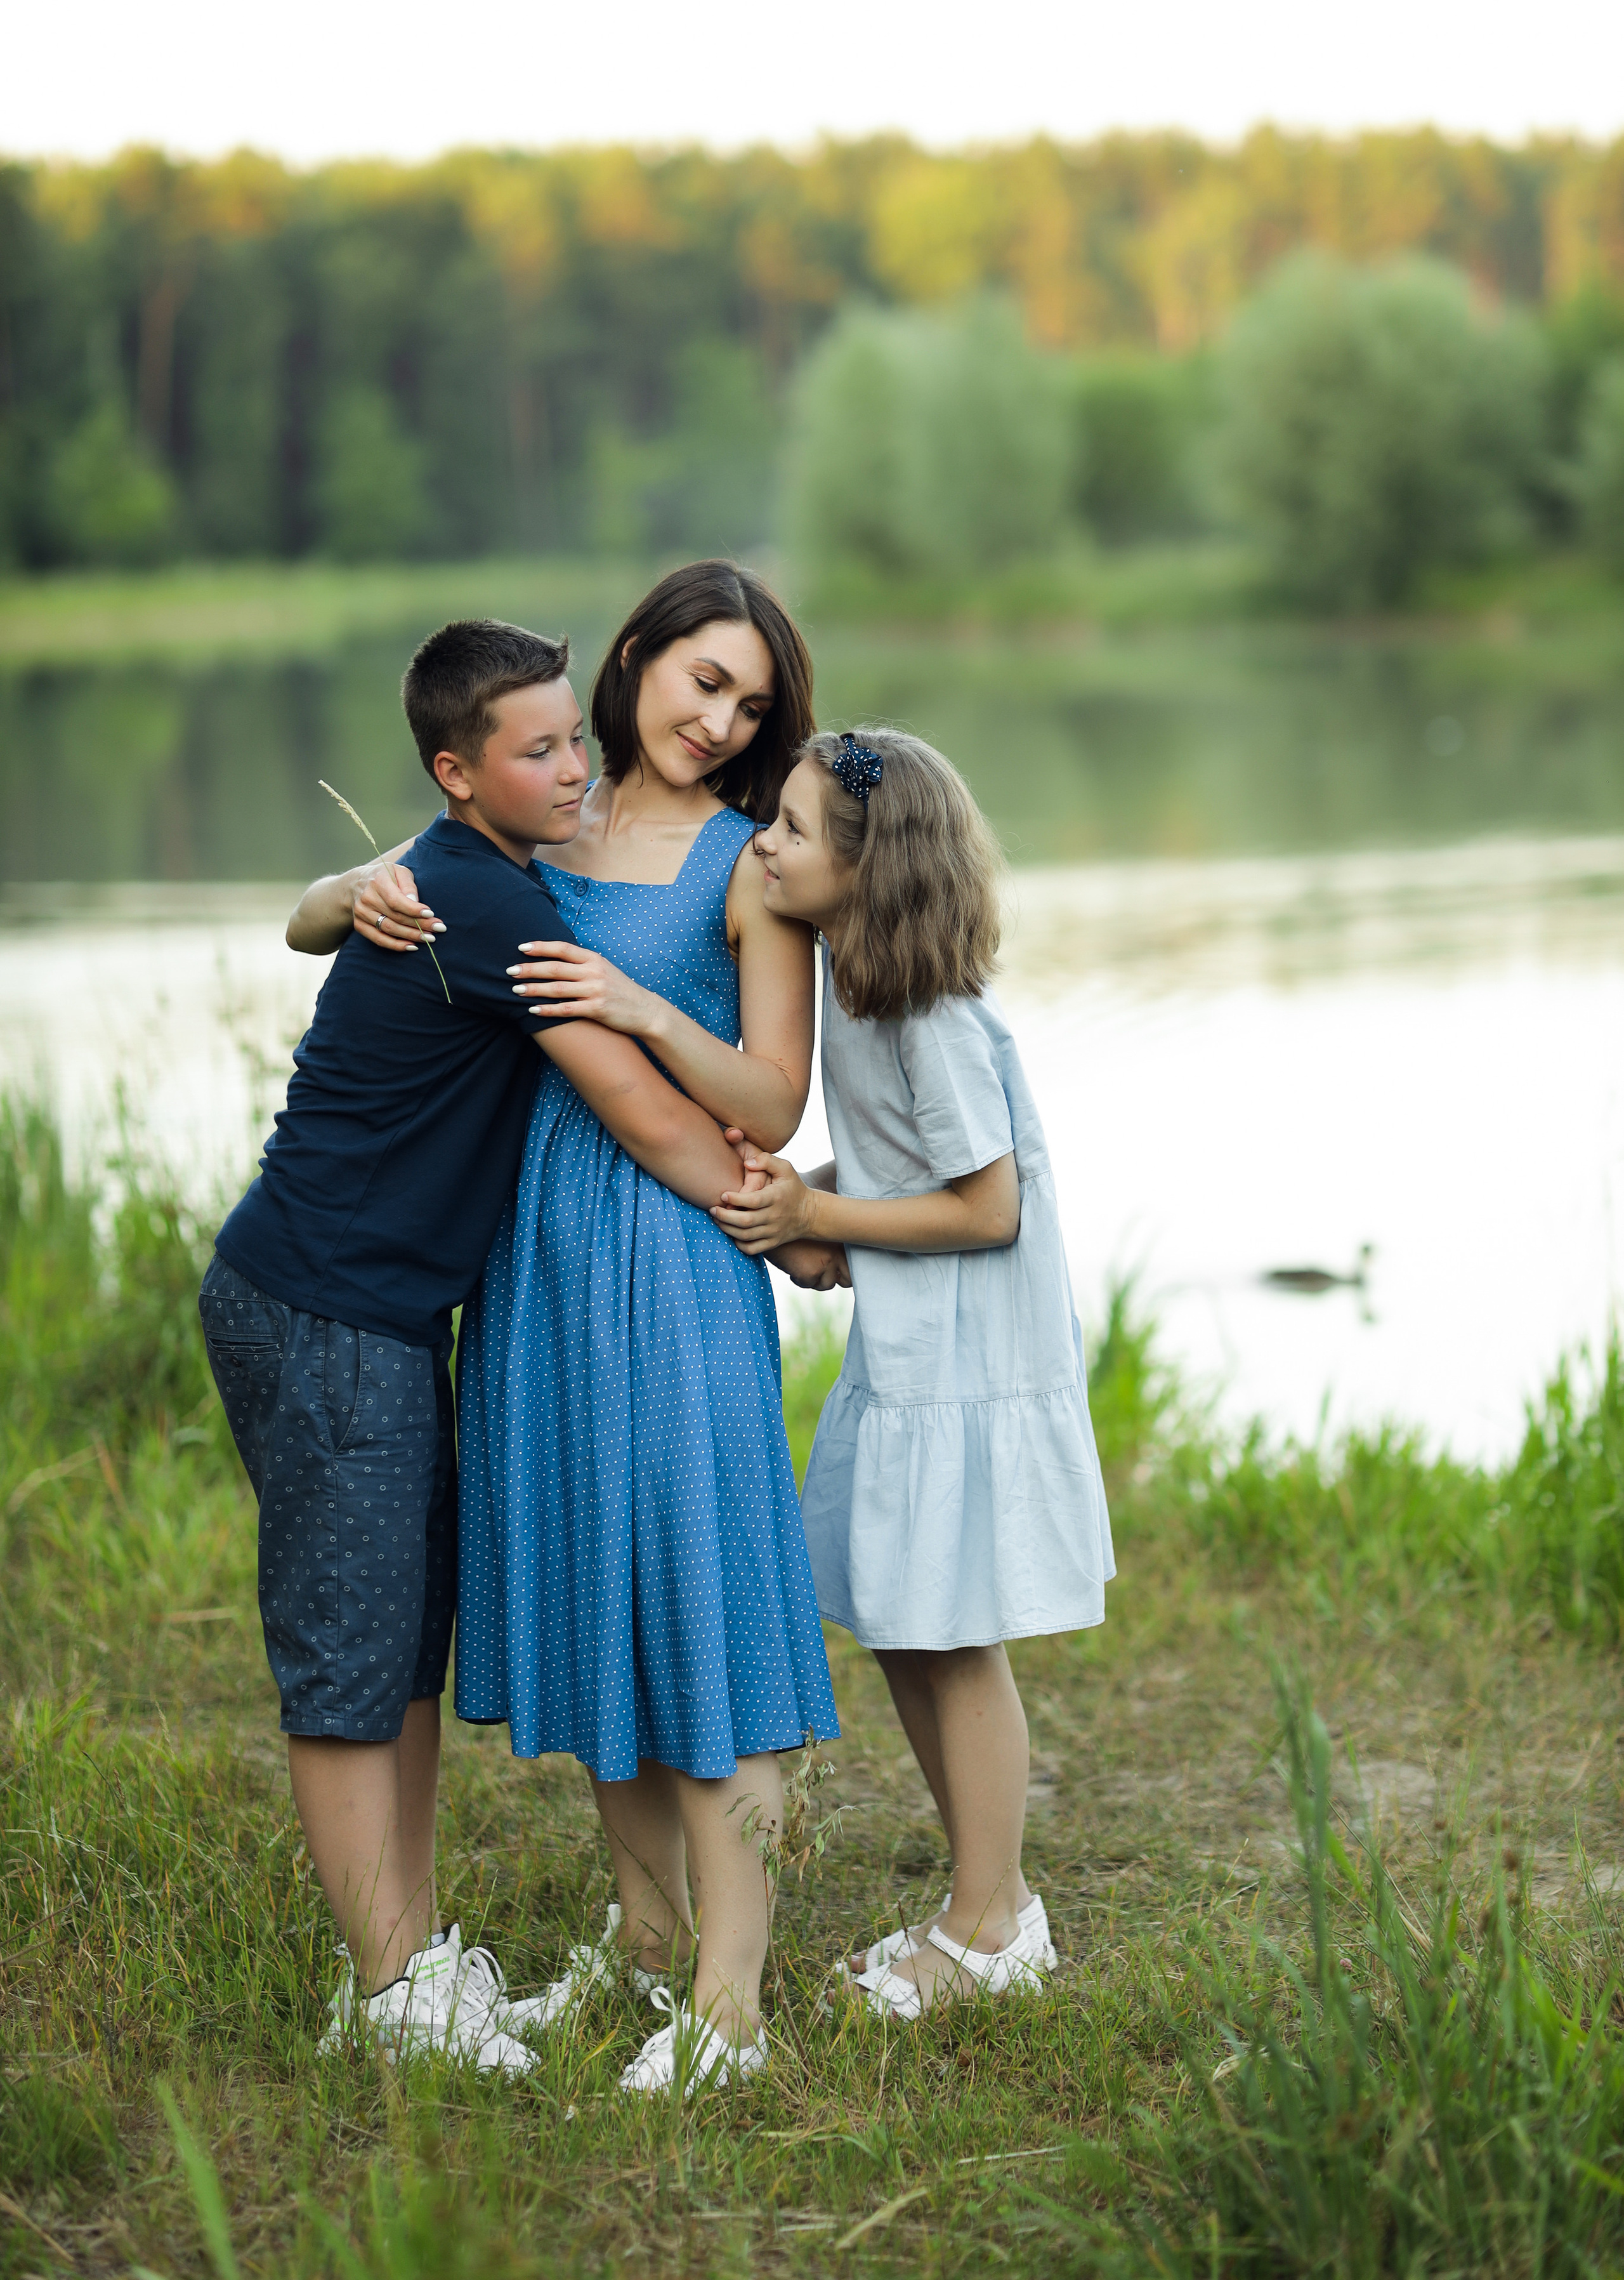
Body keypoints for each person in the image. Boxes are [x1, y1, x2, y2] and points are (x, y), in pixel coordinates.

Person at [203, 617, 754, 2073]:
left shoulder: (477, 869)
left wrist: (329, 894)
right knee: (348, 1655)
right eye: (539, 749)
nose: (575, 765)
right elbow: (639, 1112)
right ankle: (388, 1997)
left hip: (380, 1314)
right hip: (321, 1305)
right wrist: (797, 1226)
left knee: (401, 1646)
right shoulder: (490, 903)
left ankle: (417, 1959)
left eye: (577, 734)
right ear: (459, 773)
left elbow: (327, 914)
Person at [351, 561, 842, 2097]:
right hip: (533, 1251)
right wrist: (344, 892)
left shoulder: (746, 862)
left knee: (697, 1589)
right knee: (594, 1592)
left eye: (750, 705)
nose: (719, 721)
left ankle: (731, 2001)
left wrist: (641, 1012)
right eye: (703, 680)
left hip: (674, 1251)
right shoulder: (538, 820)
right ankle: (639, 1947)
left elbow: (773, 1100)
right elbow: (366, 902)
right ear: (632, 659)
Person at [711, 727, 1115, 2018]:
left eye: (784, 826)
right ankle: (975, 1896)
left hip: (968, 1367)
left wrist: (821, 1220)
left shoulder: (930, 1020)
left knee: (950, 1637)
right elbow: (901, 1177)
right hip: (912, 1362)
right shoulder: (852, 986)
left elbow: (985, 1207)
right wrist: (811, 1198)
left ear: (865, 864)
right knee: (900, 1623)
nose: (760, 843)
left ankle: (994, 1924)